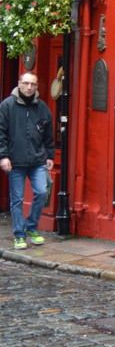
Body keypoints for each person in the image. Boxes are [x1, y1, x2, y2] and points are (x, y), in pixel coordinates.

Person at [0, 73, 55, 249]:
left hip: (37, 160)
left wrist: (50, 156)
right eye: (26, 83)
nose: (29, 87)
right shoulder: (7, 106)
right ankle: (19, 235)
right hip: (15, 161)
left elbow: (48, 135)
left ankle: (31, 227)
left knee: (41, 192)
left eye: (33, 84)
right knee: (17, 200)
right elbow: (1, 133)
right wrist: (3, 156)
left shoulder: (42, 107)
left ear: (37, 86)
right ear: (19, 84)